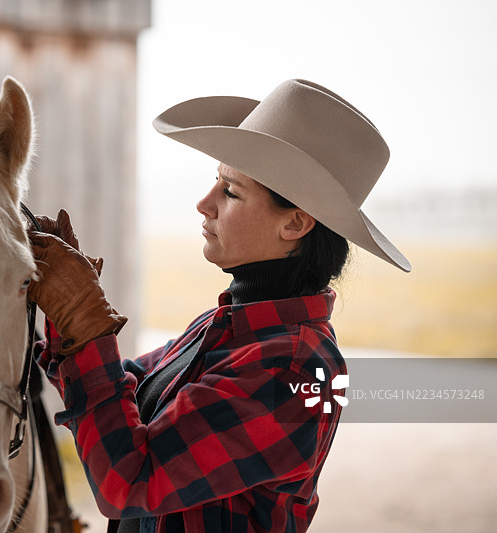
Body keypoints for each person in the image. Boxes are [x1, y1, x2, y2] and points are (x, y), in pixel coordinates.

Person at [28, 79, 411, 533]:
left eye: (230, 191)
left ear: (295, 223)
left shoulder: (294, 368)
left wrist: (82, 319)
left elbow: (128, 482)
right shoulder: (227, 324)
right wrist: (69, 314)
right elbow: (123, 390)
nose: (203, 204)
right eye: (216, 181)